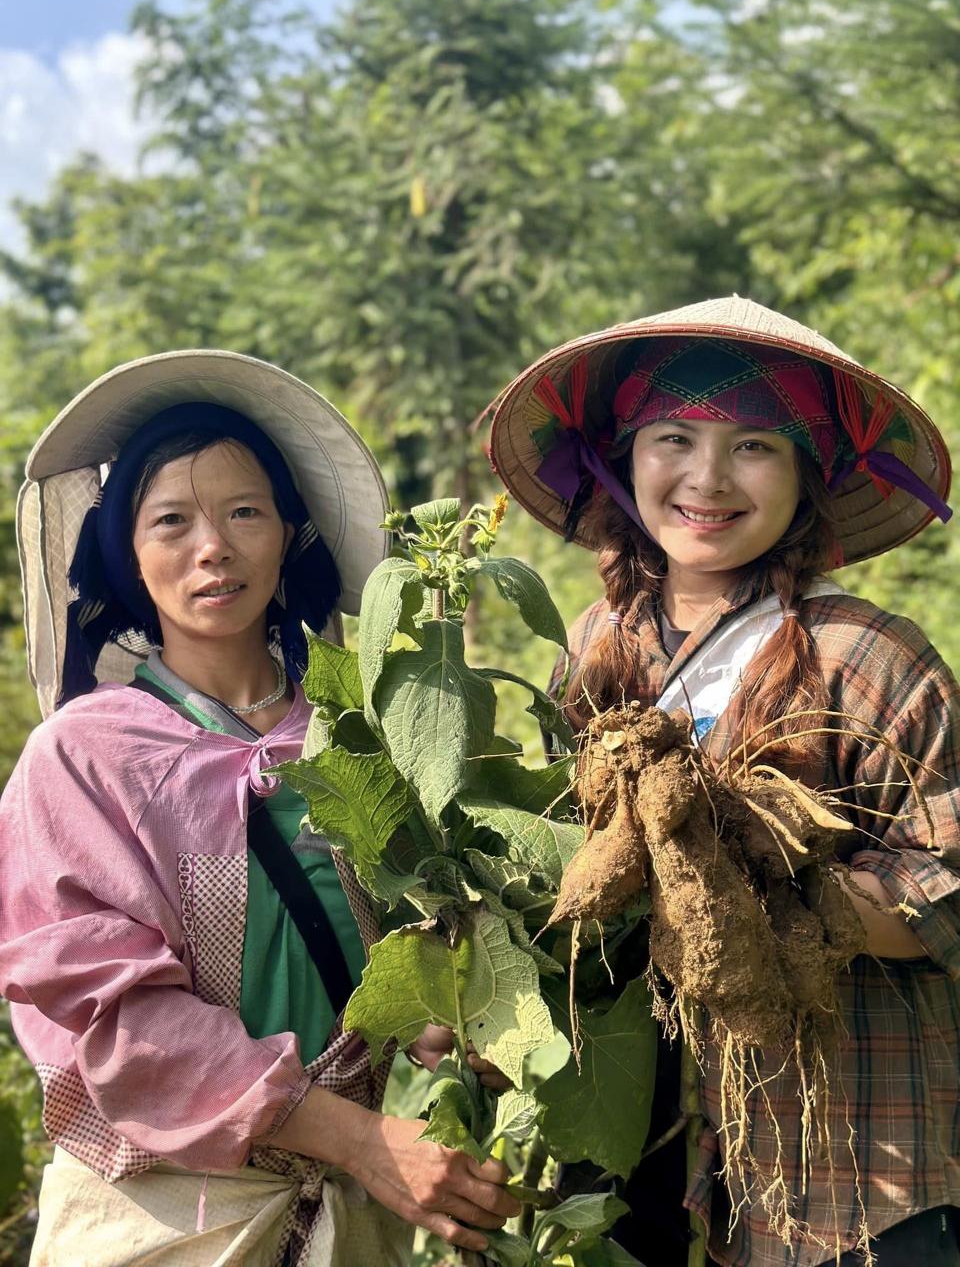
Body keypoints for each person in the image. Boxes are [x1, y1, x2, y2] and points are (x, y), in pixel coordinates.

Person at [0, 350, 518, 1266]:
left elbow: (401, 969)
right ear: (129, 553)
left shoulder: (362, 736)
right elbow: (124, 1028)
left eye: (245, 512)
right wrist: (359, 1138)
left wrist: (469, 1029)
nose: (213, 547)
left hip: (352, 1215)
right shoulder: (84, 758)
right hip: (167, 1222)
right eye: (172, 521)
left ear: (288, 533)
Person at [488, 297, 960, 1266]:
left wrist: (766, 893)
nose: (706, 477)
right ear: (626, 456)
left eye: (755, 446)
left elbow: (948, 881)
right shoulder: (592, 645)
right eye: (673, 437)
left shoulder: (867, 655)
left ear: (805, 475)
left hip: (849, 1171)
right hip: (640, 1153)